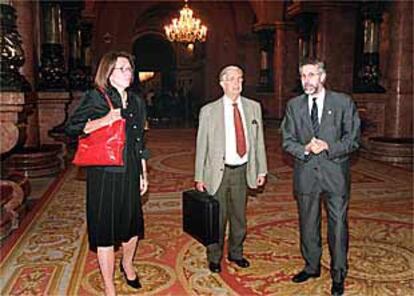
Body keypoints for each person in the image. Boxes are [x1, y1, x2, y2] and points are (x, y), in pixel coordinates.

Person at [65, 51, 149, 296]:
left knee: (132, 224)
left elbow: (140, 141)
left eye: (130, 69)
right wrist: (105, 120)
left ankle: (127, 264)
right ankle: (109, 284)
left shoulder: (137, 101)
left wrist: (144, 172)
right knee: (105, 228)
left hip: (131, 168)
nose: (128, 73)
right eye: (122, 68)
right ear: (108, 73)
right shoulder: (96, 97)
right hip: (103, 172)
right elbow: (71, 128)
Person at [281, 58, 360, 296]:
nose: (307, 80)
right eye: (303, 76)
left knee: (337, 227)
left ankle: (338, 274)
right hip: (306, 175)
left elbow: (353, 139)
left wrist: (328, 146)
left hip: (335, 174)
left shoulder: (343, 102)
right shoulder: (294, 105)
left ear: (322, 77)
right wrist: (304, 149)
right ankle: (311, 266)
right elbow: (287, 140)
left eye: (312, 75)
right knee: (308, 223)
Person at [194, 65, 267, 273]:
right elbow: (202, 147)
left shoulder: (254, 107)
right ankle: (214, 257)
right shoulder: (209, 111)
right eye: (233, 79)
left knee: (239, 217)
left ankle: (236, 253)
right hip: (218, 172)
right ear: (222, 83)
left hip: (243, 171)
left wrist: (261, 169)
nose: (237, 83)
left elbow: (259, 141)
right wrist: (199, 176)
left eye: (240, 79)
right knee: (217, 218)